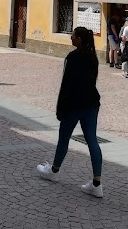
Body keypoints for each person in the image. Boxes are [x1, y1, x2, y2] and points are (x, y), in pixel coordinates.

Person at [37, 27, 103, 198]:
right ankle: (97, 183)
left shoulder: (72, 57)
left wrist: (60, 108)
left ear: (79, 39)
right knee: (92, 140)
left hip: (73, 104)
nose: (70, 39)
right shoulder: (93, 57)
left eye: (72, 36)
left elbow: (65, 85)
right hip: (91, 103)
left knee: (64, 138)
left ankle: (54, 170)